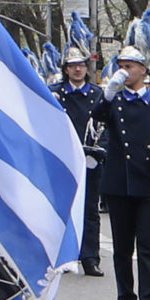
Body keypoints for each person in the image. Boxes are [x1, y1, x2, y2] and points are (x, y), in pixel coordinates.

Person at [95, 37, 150, 300]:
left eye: (129, 66)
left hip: (149, 184)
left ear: (143, 69)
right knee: (123, 248)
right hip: (119, 183)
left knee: (149, 248)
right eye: (120, 66)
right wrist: (107, 92)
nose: (124, 71)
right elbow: (98, 115)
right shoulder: (113, 100)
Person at [52, 45, 107, 277]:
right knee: (62, 209)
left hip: (89, 159)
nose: (77, 69)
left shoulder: (98, 94)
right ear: (65, 69)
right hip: (63, 160)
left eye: (81, 65)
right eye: (72, 66)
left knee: (90, 210)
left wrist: (98, 150)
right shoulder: (54, 92)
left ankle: (90, 257)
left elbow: (107, 125)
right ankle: (64, 256)